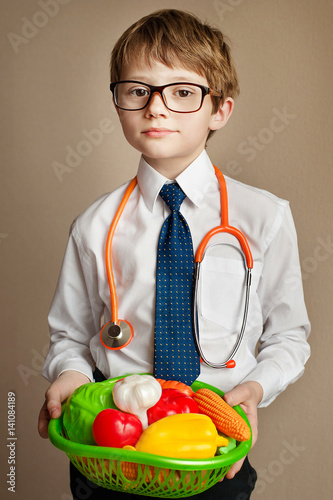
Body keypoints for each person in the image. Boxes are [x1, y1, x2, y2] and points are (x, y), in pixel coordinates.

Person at [38, 9, 310, 499]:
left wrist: (255, 390)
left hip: (212, 446)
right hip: (114, 450)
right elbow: (69, 335)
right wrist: (71, 375)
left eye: (182, 92)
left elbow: (289, 336)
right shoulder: (93, 226)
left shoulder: (264, 217)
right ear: (117, 104)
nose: (156, 108)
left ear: (220, 111)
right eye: (137, 91)